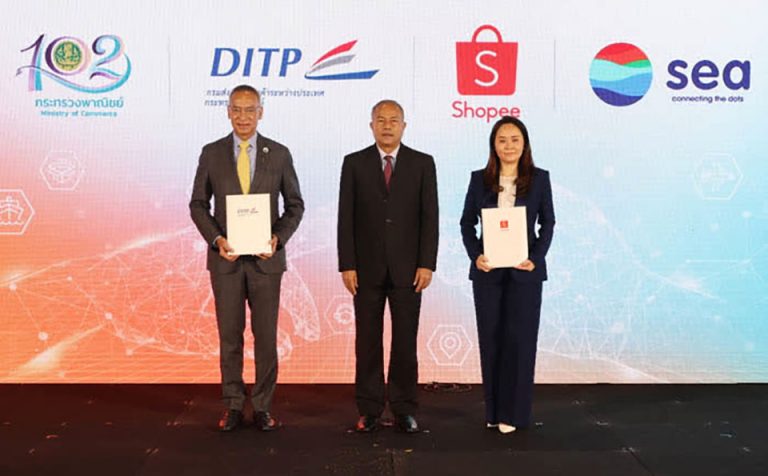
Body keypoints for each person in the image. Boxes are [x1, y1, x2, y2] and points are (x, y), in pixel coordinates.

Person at [190, 84, 304, 432]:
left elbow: (295, 205)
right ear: (228, 112)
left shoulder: (279, 154)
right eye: (237, 110)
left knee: (266, 337)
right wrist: (217, 239)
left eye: (249, 109)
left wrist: (277, 239)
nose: (243, 117)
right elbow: (198, 204)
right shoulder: (212, 153)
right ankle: (233, 405)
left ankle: (263, 406)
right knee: (230, 337)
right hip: (225, 261)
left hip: (266, 263)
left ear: (260, 112)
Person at [337, 99, 439, 433]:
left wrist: (427, 263)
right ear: (371, 126)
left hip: (409, 270)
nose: (387, 126)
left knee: (405, 342)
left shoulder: (423, 163)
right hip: (365, 270)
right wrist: (347, 264)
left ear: (404, 126)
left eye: (394, 120)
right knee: (367, 342)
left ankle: (404, 408)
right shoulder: (354, 163)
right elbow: (345, 217)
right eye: (380, 120)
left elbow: (430, 217)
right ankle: (369, 409)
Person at [459, 115, 554, 434]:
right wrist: (476, 256)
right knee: (492, 340)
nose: (508, 146)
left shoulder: (539, 179)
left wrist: (535, 258)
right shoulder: (479, 179)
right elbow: (466, 223)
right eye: (502, 140)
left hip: (525, 273)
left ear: (524, 144)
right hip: (488, 273)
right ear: (493, 145)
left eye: (515, 140)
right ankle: (494, 411)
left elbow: (548, 222)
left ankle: (514, 415)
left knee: (520, 342)